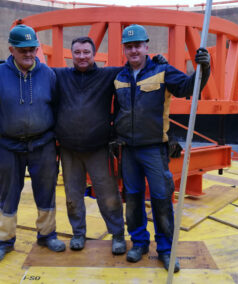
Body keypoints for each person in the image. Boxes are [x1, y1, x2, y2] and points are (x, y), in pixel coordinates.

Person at [53, 37, 167, 254]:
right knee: (72, 196)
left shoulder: (108, 75)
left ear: (94, 54)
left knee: (109, 195)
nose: (82, 56)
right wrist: (5, 65)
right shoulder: (60, 75)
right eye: (77, 52)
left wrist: (155, 63)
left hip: (98, 148)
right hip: (69, 150)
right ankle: (78, 233)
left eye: (86, 52)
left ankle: (117, 235)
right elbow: (35, 70)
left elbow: (135, 66)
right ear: (72, 55)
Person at [113, 24, 210, 272]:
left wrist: (204, 67)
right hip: (129, 151)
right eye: (129, 46)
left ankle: (166, 250)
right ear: (124, 49)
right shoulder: (119, 77)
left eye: (138, 45)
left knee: (161, 200)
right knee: (133, 200)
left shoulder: (163, 71)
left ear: (146, 46)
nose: (134, 50)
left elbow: (190, 87)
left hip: (154, 150)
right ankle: (139, 243)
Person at [0, 24, 65, 264]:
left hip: (43, 145)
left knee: (46, 193)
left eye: (32, 49)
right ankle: (4, 241)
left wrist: (60, 141)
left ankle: (47, 235)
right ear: (11, 49)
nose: (29, 54)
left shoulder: (48, 74)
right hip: (9, 148)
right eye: (22, 49)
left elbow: (57, 109)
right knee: (7, 195)